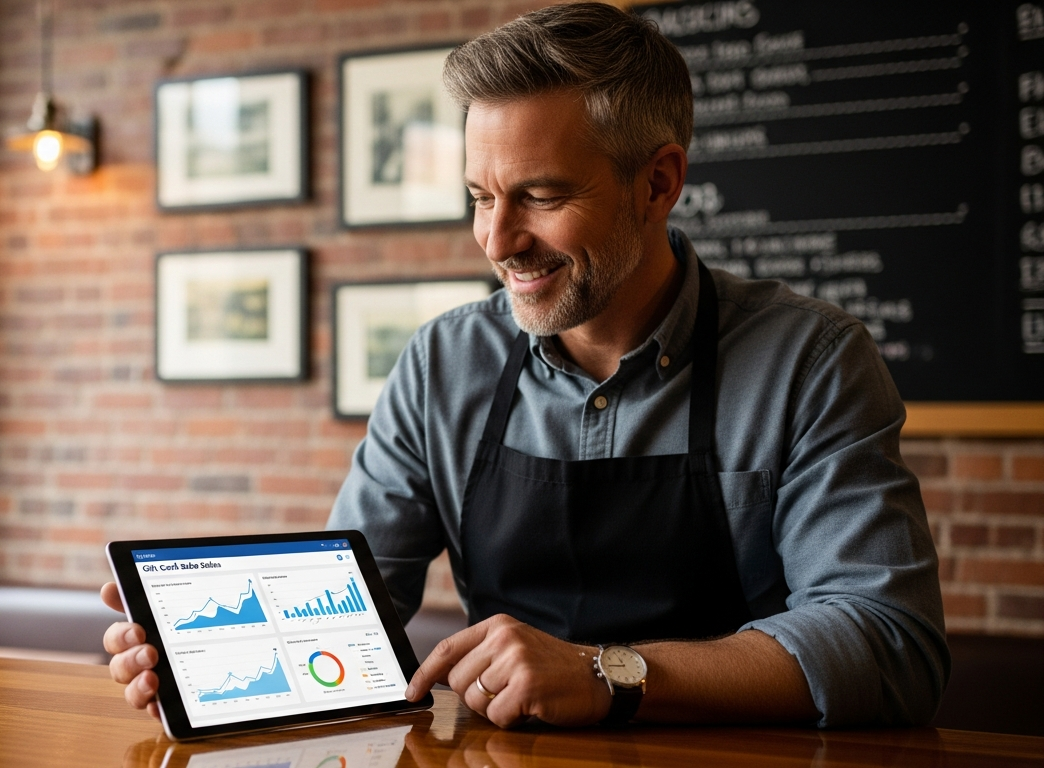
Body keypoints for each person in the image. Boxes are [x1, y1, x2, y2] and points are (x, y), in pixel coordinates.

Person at [103, 2, 947, 729]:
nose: (497, 242)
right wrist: (215, 657)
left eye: (540, 197)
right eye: (479, 197)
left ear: (658, 184)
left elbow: (887, 641)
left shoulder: (812, 361)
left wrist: (602, 674)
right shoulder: (444, 363)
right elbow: (358, 617)